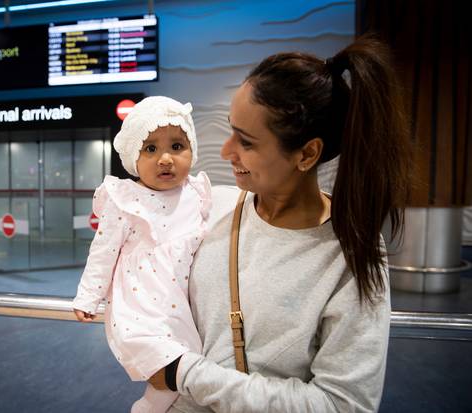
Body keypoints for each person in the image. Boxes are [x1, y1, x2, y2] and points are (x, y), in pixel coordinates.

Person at [147, 36, 412, 412]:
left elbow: (342, 404)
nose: (225, 151)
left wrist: (184, 374)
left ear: (307, 154)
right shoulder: (211, 206)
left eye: (247, 142)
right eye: (230, 128)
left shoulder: (350, 255)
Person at [72, 96, 211, 413]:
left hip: (186, 301)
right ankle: (150, 404)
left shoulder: (197, 193)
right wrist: (87, 296)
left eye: (177, 147)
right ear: (133, 156)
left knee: (191, 360)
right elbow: (103, 252)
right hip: (142, 301)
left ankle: (153, 405)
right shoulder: (126, 200)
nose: (165, 159)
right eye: (151, 149)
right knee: (162, 360)